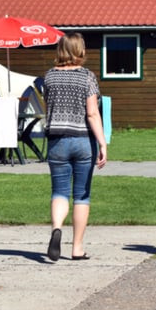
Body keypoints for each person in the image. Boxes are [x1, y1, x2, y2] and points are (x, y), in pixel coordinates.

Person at [43, 33, 108, 262]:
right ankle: (77, 248)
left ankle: (56, 229)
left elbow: (47, 105)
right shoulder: (87, 77)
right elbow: (92, 113)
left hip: (57, 141)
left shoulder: (49, 77)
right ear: (80, 50)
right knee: (81, 194)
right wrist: (102, 143)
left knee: (59, 191)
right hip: (82, 141)